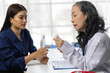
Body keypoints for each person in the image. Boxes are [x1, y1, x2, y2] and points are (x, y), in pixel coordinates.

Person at [54, 1, 110, 73]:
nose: (72, 20)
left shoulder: (99, 39)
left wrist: (67, 49)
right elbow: (81, 57)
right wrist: (65, 51)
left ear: (86, 15)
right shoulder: (88, 36)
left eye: (75, 15)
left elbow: (86, 66)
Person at [0, 4, 50, 73]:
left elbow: (33, 50)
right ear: (11, 19)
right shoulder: (3, 37)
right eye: (21, 18)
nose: (25, 21)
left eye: (25, 17)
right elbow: (12, 64)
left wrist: (40, 58)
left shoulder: (25, 33)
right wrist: (35, 54)